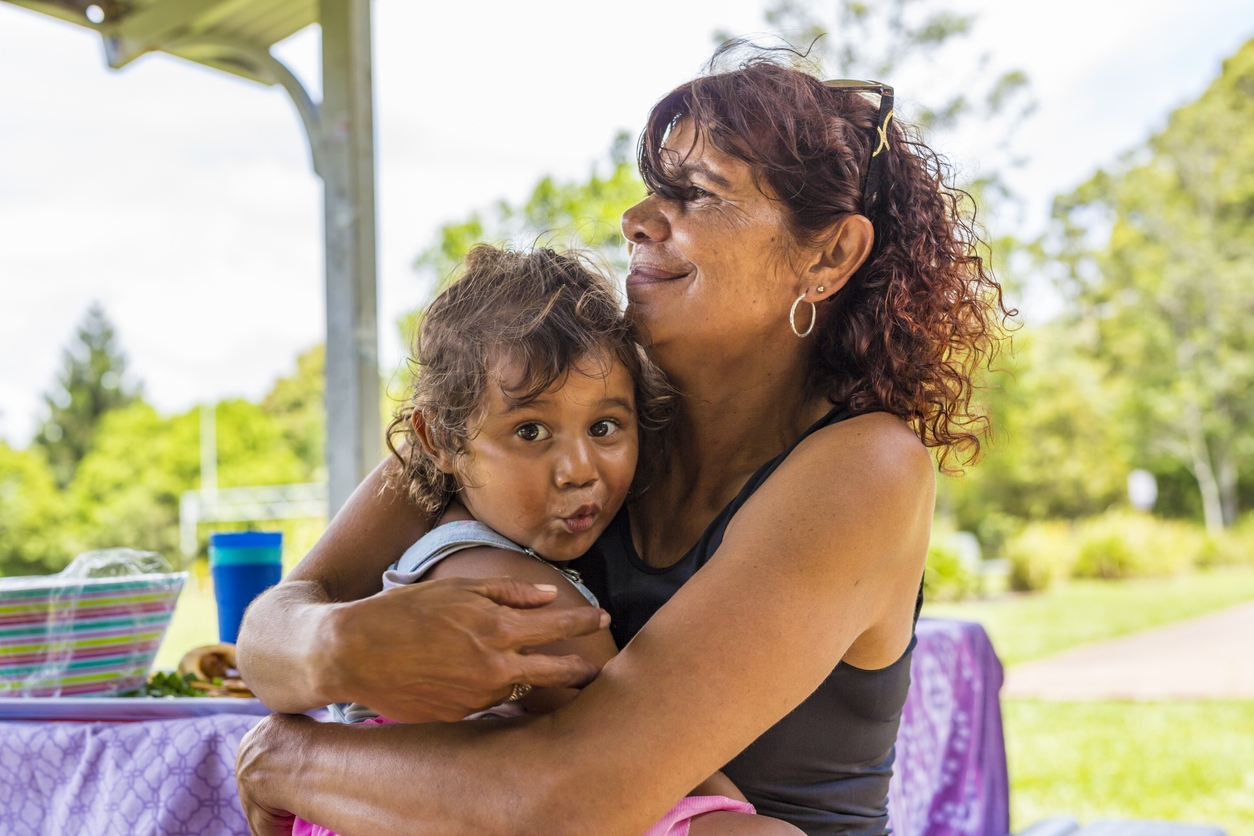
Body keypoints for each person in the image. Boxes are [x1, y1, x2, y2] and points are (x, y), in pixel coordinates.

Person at [236, 51, 1007, 836]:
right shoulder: (561, 412)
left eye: (696, 193)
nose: (636, 218)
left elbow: (571, 799)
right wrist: (337, 644)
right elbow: (271, 629)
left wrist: (290, 761)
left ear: (830, 254)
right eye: (652, 189)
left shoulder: (865, 468)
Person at [291, 244, 798, 836]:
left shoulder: (460, 543)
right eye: (531, 431)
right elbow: (640, 748)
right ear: (440, 442)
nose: (579, 469)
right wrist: (742, 810)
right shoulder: (506, 586)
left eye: (605, 427)